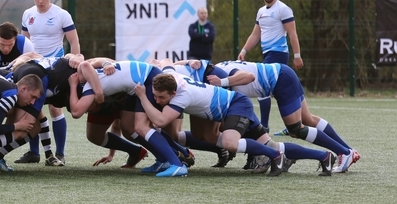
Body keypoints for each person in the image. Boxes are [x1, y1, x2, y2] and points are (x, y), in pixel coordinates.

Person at [134, 73, 337, 177]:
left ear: (173, 94)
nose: (157, 100)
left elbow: (160, 120)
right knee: (204, 135)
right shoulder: (172, 79)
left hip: (236, 105)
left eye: (161, 98)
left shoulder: (182, 95)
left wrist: (143, 97)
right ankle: (324, 156)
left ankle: (276, 156)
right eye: (155, 96)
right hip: (219, 110)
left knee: (235, 143)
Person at [209, 60, 360, 173]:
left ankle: (344, 152)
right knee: (308, 119)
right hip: (282, 74)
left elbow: (248, 77)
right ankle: (348, 150)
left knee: (295, 129)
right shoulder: (217, 67)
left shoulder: (220, 74)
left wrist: (222, 82)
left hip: (281, 80)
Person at [17, 0, 79, 164]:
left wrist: (75, 62)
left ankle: (59, 153)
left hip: (55, 67)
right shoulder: (28, 14)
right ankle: (33, 153)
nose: (40, 0)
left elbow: (74, 41)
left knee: (54, 108)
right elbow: (23, 42)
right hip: (33, 68)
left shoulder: (62, 15)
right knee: (31, 107)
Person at [238, 0, 303, 132]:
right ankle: (295, 122)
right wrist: (244, 51)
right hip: (268, 54)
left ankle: (264, 126)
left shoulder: (283, 9)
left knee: (262, 86)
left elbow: (292, 33)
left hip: (278, 54)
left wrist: (297, 55)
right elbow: (255, 35)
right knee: (283, 89)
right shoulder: (261, 12)